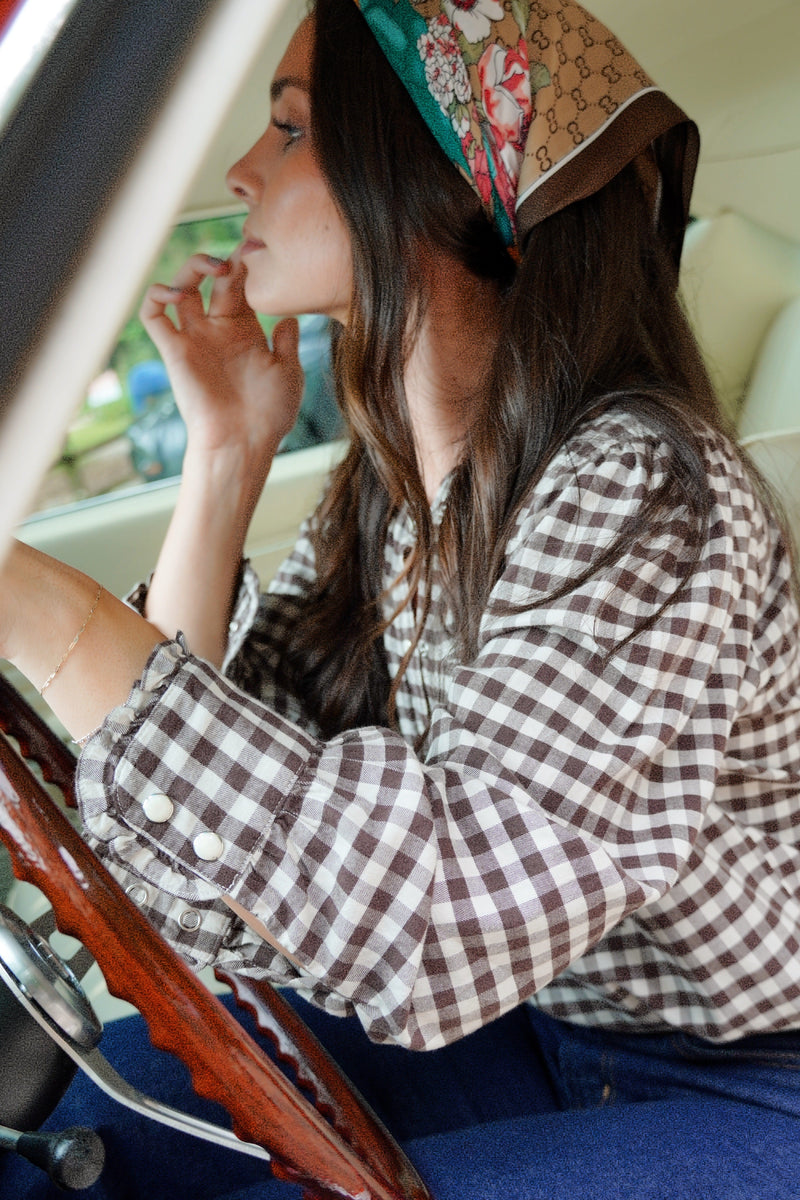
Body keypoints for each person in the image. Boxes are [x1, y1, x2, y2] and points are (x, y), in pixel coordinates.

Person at [2, 0, 800, 1195]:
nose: (238, 169)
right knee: (75, 1151)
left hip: (744, 1078)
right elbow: (208, 818)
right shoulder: (397, 496)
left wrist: (48, 614)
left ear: (430, 183)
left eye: (286, 131)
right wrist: (224, 458)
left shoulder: (645, 490)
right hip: (539, 1027)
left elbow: (438, 918)